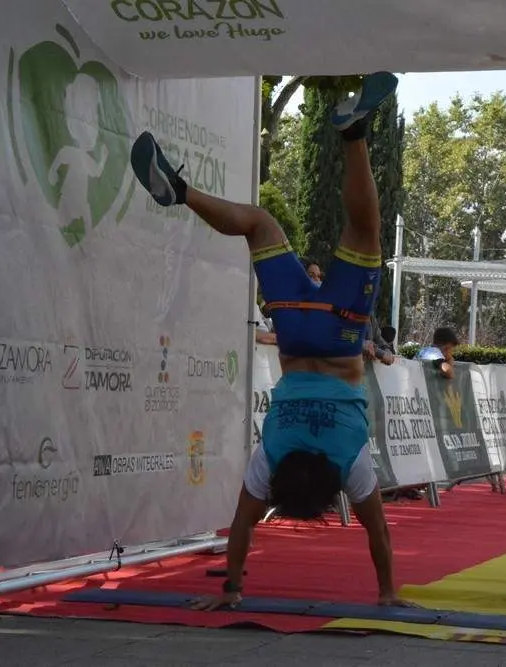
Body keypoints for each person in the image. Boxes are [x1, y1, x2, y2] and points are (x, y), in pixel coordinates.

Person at [128, 72, 414, 611]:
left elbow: (379, 533)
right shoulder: (271, 457)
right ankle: (183, 194)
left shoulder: (350, 462)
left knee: (365, 232)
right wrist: (230, 588)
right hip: (294, 329)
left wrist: (388, 593)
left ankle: (353, 135)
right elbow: (242, 523)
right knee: (258, 224)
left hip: (342, 334)